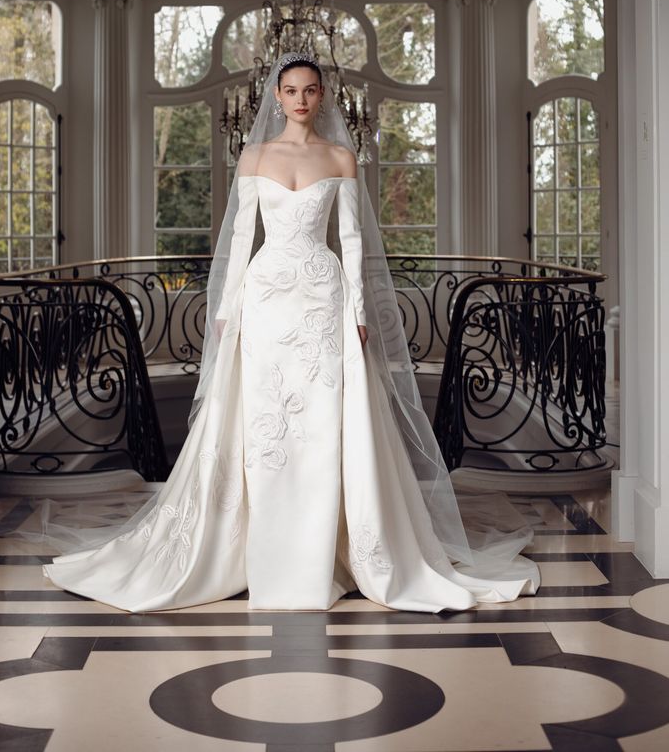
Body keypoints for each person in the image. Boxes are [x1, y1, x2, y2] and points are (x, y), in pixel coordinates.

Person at [43, 52, 539, 611]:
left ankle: (326, 549)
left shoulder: (341, 158)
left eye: (309, 89)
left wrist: (356, 313)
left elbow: (350, 243)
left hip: (323, 300)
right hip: (266, 299)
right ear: (275, 97)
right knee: (263, 422)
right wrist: (226, 311)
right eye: (290, 89)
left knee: (323, 419)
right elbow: (236, 244)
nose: (300, 98)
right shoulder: (254, 155)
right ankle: (263, 549)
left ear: (321, 96)